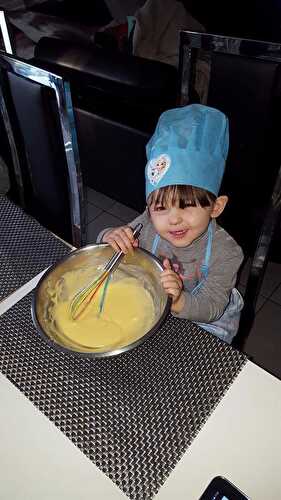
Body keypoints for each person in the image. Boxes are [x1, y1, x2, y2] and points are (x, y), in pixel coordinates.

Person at [97, 104, 244, 343]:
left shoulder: (226, 252)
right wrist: (110, 235)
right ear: (149, 208)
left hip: (205, 323)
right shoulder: (147, 223)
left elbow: (212, 306)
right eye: (161, 208)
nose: (173, 219)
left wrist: (177, 300)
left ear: (215, 207)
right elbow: (108, 249)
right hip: (157, 305)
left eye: (186, 206)